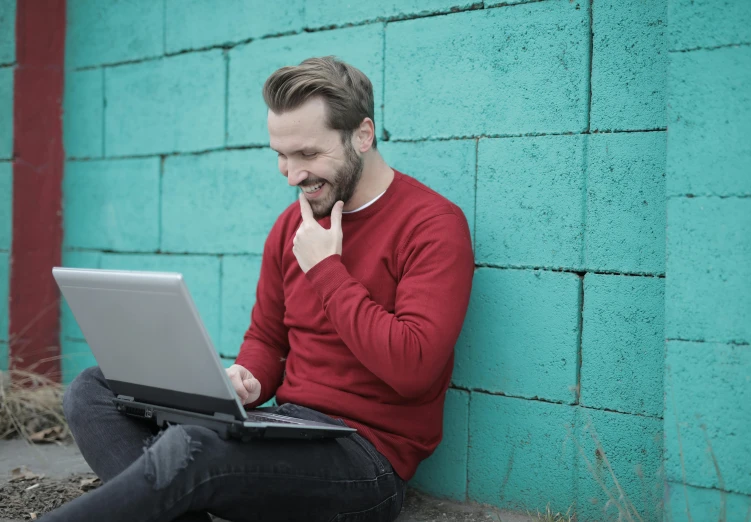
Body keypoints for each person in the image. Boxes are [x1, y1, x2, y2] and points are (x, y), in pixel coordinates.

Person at [44, 56, 474, 522]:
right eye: (280, 155)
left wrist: (327, 270)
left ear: (362, 135)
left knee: (191, 447)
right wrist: (248, 378)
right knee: (93, 389)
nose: (291, 175)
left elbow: (413, 368)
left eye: (308, 155)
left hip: (364, 459)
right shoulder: (292, 224)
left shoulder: (432, 225)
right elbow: (268, 339)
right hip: (281, 426)